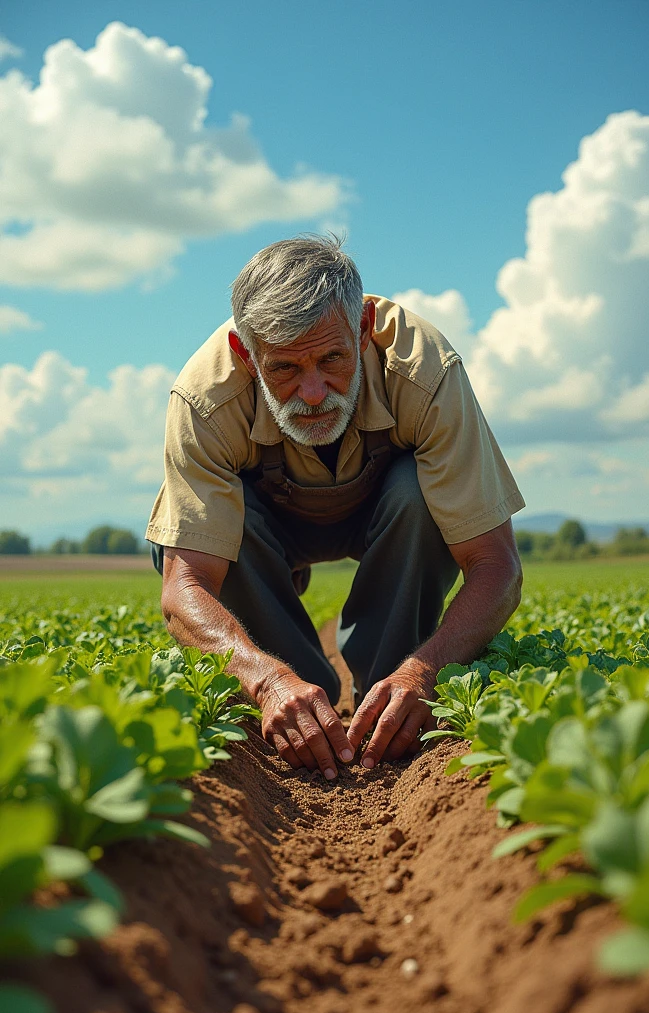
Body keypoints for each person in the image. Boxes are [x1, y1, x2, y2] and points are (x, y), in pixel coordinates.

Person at [146, 235, 525, 781]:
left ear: (364, 328)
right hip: (267, 524)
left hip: (389, 514)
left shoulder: (426, 370)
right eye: (284, 369)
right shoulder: (204, 400)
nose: (315, 391)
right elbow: (186, 585)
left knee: (418, 496)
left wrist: (424, 673)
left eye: (331, 358)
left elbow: (497, 566)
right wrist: (265, 678)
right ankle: (301, 705)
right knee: (227, 528)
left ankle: (387, 700)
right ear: (243, 354)